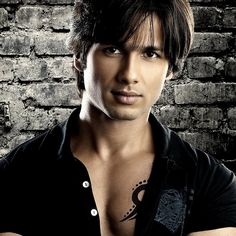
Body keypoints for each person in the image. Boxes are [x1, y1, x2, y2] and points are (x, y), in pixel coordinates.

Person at [0, 0, 236, 235]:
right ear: (79, 56)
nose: (129, 74)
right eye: (113, 49)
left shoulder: (210, 184)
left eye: (150, 53)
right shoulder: (16, 176)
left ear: (171, 68)